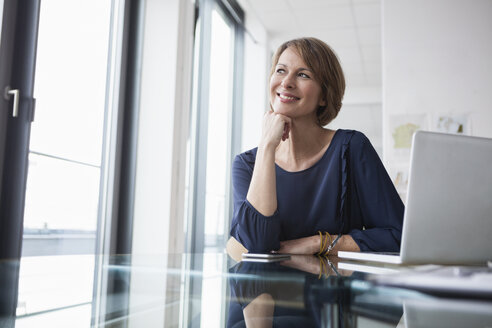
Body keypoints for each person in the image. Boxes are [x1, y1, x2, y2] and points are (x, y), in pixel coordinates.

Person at [226, 37, 403, 257]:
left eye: (303, 75)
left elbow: (398, 236)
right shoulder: (247, 164)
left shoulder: (352, 148)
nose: (286, 82)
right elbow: (257, 245)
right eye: (281, 70)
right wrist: (266, 146)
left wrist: (319, 243)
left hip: (335, 289)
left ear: (324, 96)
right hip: (268, 291)